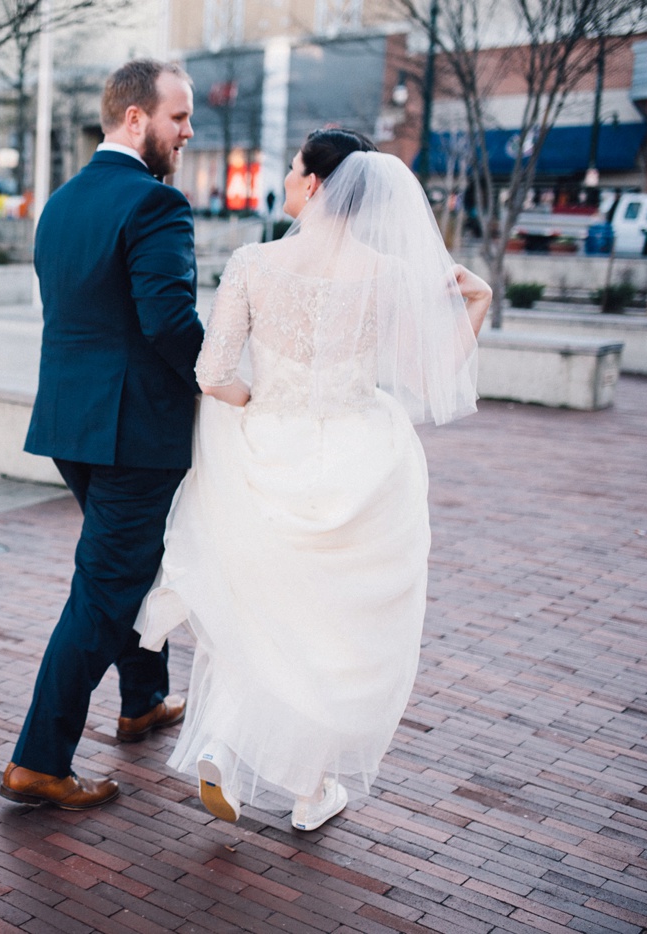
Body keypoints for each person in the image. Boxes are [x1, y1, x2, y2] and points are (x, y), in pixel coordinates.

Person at [136, 129, 492, 832]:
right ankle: (309, 793)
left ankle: (225, 753)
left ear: (321, 184)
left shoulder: (254, 262)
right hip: (359, 463)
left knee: (259, 604)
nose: (291, 181)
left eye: (297, 171)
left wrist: (256, 405)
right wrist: (475, 303)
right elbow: (427, 377)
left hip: (271, 451)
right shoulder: (385, 274)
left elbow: (212, 375)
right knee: (333, 630)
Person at [0, 59, 203, 811]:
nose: (188, 131)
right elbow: (169, 322)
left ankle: (143, 698)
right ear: (136, 120)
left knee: (128, 571)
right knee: (102, 592)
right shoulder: (156, 205)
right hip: (134, 436)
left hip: (69, 424)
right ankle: (38, 760)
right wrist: (223, 380)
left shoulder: (61, 202)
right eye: (178, 118)